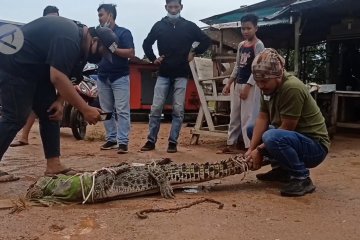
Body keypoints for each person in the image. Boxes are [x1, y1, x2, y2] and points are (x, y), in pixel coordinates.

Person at [0, 16, 121, 182]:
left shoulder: (81, 49)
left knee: (51, 112)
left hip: (37, 72)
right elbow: (57, 77)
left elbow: (71, 79)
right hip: (15, 66)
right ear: (94, 40)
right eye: (102, 52)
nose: (100, 58)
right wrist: (85, 109)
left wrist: (59, 101)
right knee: (15, 117)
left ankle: (54, 165)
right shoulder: (69, 37)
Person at [245, 48, 330, 197]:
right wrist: (250, 149)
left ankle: (302, 178)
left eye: (264, 81)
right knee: (253, 129)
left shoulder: (292, 87)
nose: (260, 85)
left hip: (315, 146)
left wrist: (259, 151)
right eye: (258, 82)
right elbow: (262, 118)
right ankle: (282, 171)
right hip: (293, 138)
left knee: (272, 137)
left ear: (277, 76)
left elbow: (287, 128)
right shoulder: (266, 89)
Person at [141, 0, 211, 153]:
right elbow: (146, 44)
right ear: (166, 7)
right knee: (156, 108)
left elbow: (206, 40)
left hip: (181, 73)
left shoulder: (189, 26)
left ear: (181, 7)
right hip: (164, 73)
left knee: (178, 109)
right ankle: (150, 141)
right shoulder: (159, 26)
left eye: (176, 7)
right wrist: (154, 58)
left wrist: (194, 52)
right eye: (170, 7)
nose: (173, 9)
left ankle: (173, 142)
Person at [10, 5, 60, 148]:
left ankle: (52, 162)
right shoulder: (36, 32)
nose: (54, 22)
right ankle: (24, 135)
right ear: (44, 18)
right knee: (16, 116)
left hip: (47, 77)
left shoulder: (57, 36)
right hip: (28, 75)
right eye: (51, 18)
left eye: (56, 18)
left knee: (47, 109)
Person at [221, 14, 264, 153]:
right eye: (243, 28)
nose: (245, 31)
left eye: (248, 28)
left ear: (256, 28)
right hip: (238, 83)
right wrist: (229, 82)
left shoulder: (258, 45)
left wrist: (248, 86)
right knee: (234, 114)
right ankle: (231, 143)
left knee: (248, 116)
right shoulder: (241, 45)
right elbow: (238, 66)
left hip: (250, 85)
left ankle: (248, 146)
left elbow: (257, 68)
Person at [96, 4, 135, 154]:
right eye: (99, 15)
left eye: (101, 15)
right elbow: (95, 53)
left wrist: (115, 49)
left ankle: (123, 142)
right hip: (103, 76)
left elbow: (131, 52)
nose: (99, 18)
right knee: (106, 110)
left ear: (110, 15)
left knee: (122, 110)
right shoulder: (99, 34)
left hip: (120, 76)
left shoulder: (123, 32)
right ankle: (111, 139)